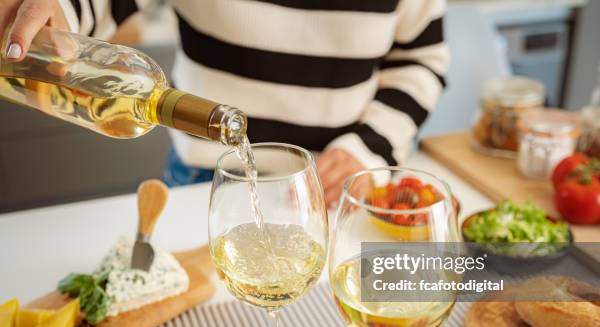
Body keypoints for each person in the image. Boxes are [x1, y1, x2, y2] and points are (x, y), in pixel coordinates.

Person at [1, 0, 449, 207]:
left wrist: (366, 148)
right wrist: (51, 10)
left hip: (332, 191)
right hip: (202, 182)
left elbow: (420, 62)